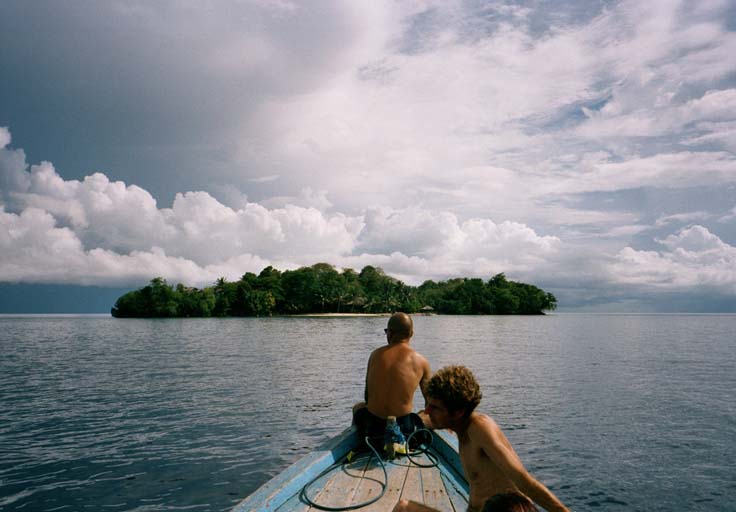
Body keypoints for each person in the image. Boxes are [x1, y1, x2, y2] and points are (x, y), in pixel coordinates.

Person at [394, 366, 569, 512]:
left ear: (458, 412)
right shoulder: (459, 428)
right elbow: (428, 419)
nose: (427, 411)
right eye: (427, 405)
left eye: (434, 407)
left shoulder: (480, 428)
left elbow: (524, 481)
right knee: (404, 508)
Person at [352, 312, 432, 441]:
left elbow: (367, 397)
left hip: (372, 427)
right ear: (411, 334)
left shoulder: (375, 355)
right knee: (426, 416)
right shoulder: (422, 361)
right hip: (404, 430)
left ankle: (359, 441)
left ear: (389, 333)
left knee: (358, 407)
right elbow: (430, 402)